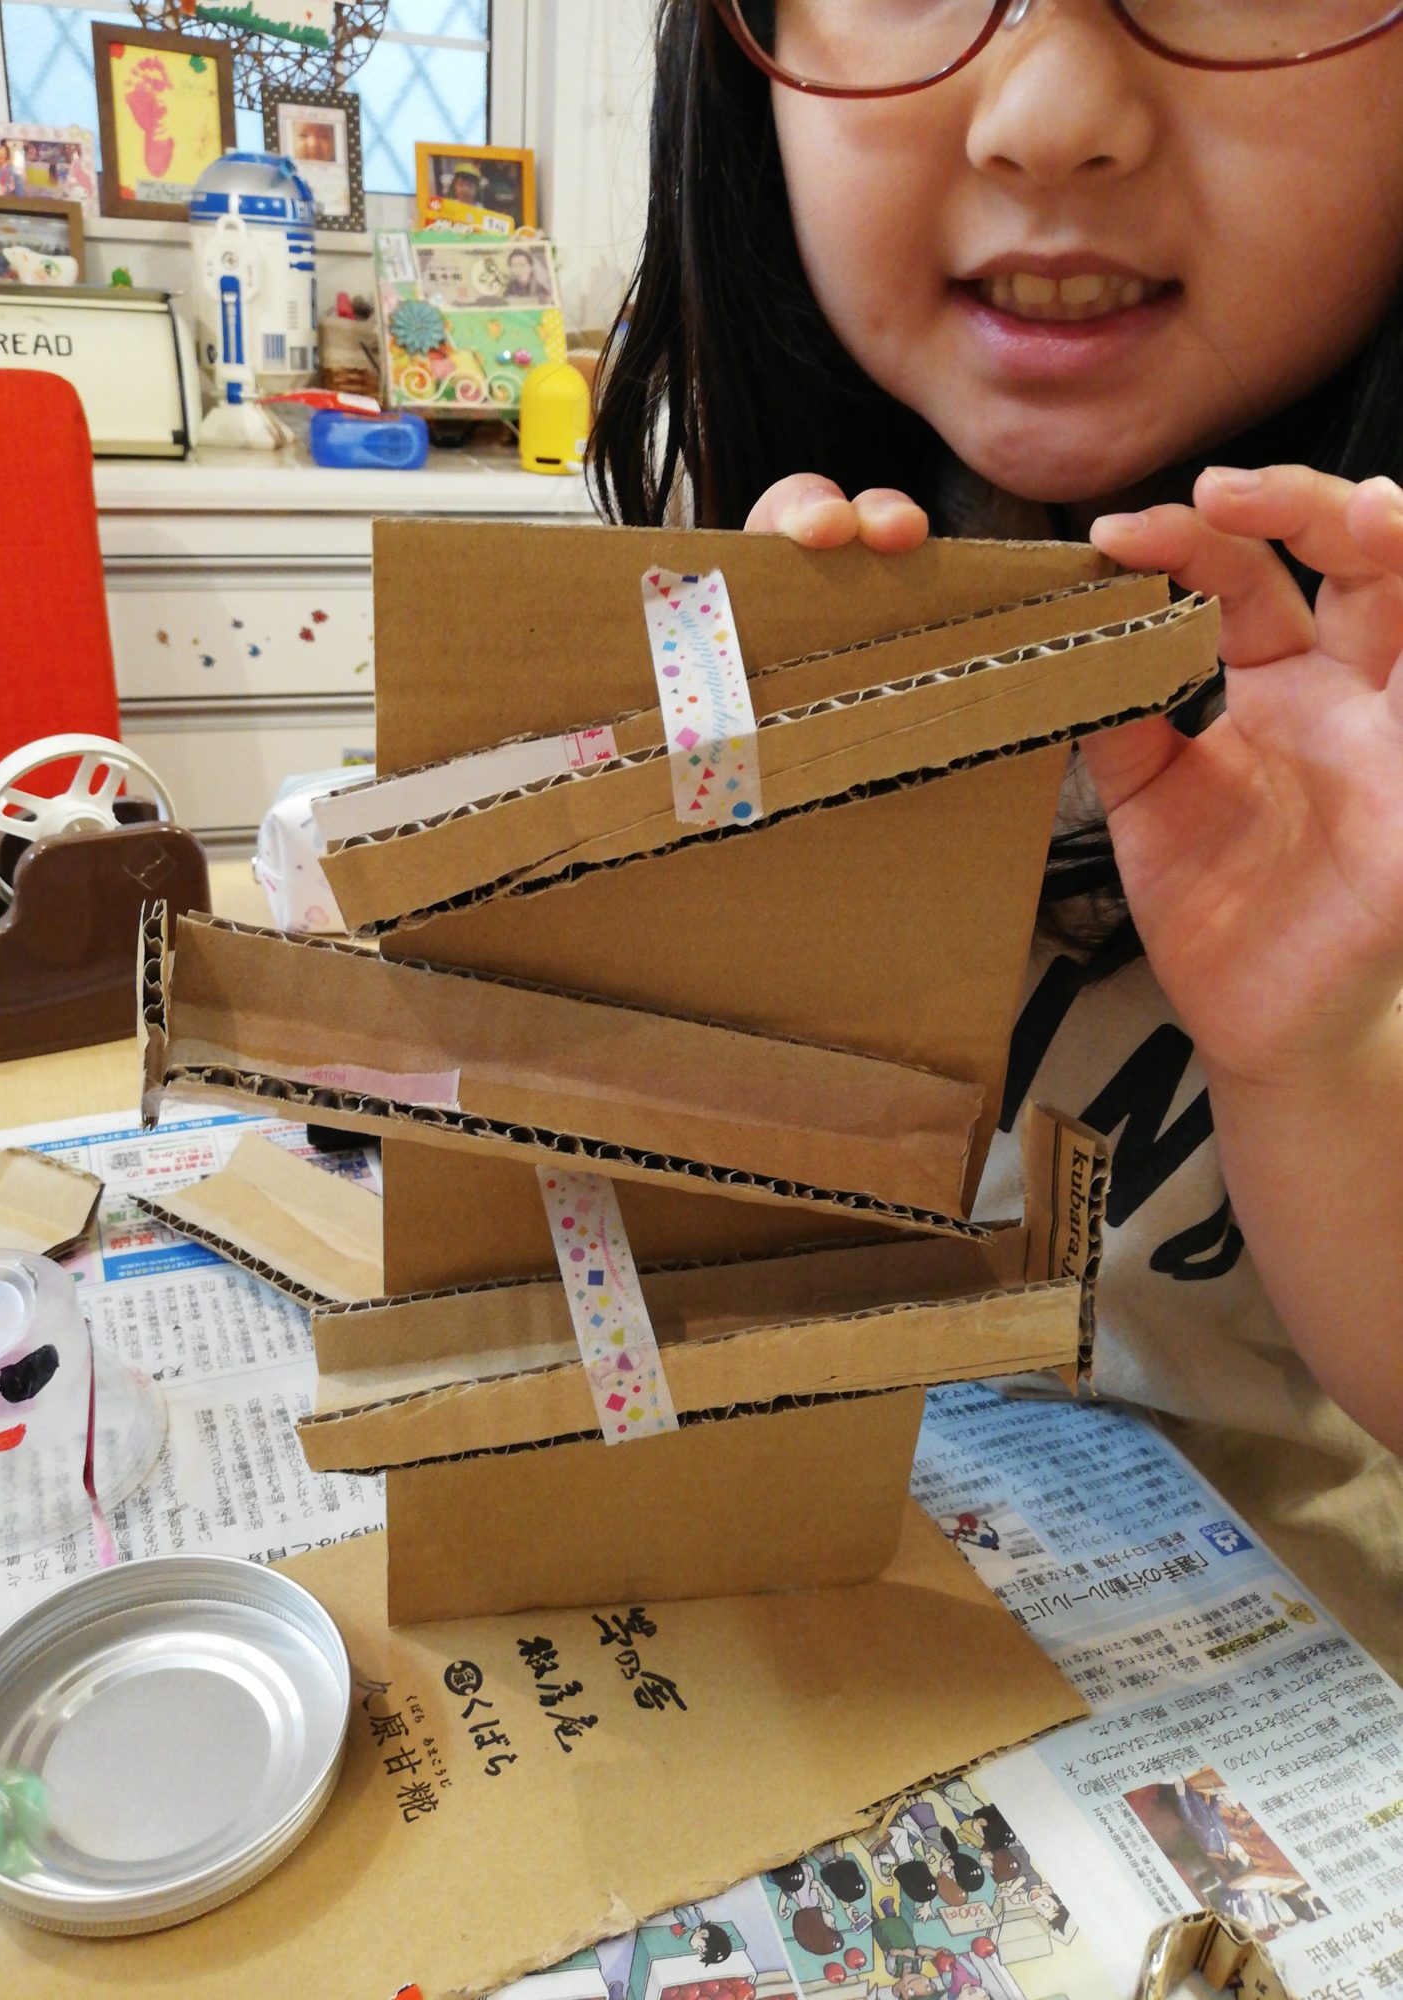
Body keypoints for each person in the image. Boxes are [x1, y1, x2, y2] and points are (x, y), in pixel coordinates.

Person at [589, 0, 1403, 1678]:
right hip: (804, 1602)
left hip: (1265, 1663)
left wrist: (1315, 1059)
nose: (1046, 115)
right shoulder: (729, 574)